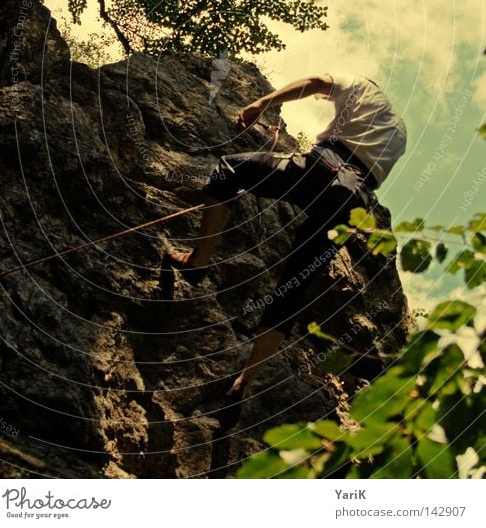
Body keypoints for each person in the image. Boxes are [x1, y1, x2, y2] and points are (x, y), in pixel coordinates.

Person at [165, 73, 407, 428]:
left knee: (231, 169)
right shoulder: (400, 134)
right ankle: (243, 384)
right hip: (353, 200)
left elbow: (315, 80)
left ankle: (198, 262)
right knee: (294, 285)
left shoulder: (362, 86)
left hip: (323, 168)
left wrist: (263, 102)